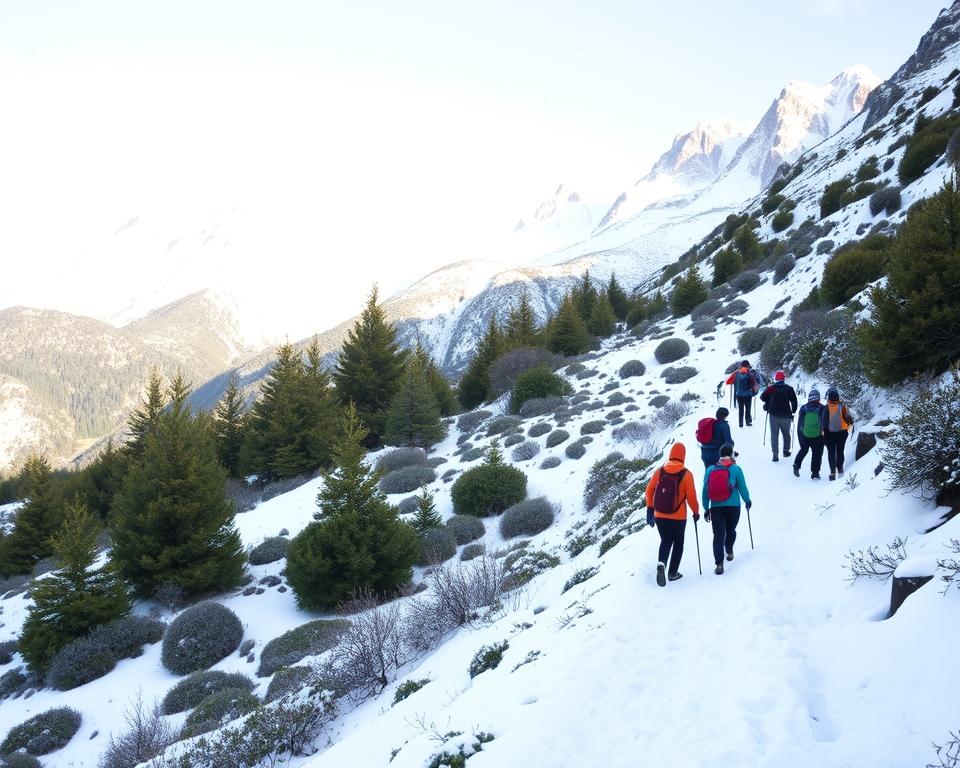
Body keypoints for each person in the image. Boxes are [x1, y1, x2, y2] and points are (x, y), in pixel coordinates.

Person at [645, 443, 700, 587]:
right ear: (683, 456)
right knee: (678, 543)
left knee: (665, 540)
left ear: (671, 454)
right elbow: (691, 498)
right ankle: (672, 573)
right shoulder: (687, 474)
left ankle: (662, 563)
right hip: (678, 517)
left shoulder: (660, 471)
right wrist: (696, 512)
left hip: (659, 515)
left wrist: (650, 508)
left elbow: (649, 491)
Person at [702, 444, 752, 574]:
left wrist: (706, 507)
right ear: (731, 455)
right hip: (733, 507)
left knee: (718, 535)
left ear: (719, 455)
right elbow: (742, 487)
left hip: (716, 507)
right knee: (731, 530)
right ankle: (729, 550)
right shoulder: (736, 469)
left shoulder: (710, 469)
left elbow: (705, 490)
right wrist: (747, 500)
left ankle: (719, 564)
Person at [760, 370, 798, 462]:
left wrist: (768, 402)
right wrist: (793, 412)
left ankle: (775, 455)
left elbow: (762, 397)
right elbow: (794, 401)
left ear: (776, 378)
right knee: (786, 433)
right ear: (784, 378)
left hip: (774, 415)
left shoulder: (772, 388)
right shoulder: (789, 388)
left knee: (774, 435)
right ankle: (786, 450)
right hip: (786, 415)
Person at [793, 389, 827, 480]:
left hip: (805, 435)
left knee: (803, 450)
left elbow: (800, 424)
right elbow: (825, 423)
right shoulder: (823, 408)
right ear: (818, 398)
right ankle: (815, 473)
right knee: (817, 453)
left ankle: (796, 465)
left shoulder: (803, 408)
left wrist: (801, 436)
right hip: (818, 436)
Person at [823, 386, 854, 481]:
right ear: (837, 397)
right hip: (842, 432)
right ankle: (840, 469)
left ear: (829, 397)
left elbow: (824, 421)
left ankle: (832, 472)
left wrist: (824, 433)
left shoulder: (827, 407)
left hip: (830, 433)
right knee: (840, 450)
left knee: (831, 452)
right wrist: (849, 426)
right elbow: (848, 418)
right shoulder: (842, 406)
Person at [726, 360, 760, 427]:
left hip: (739, 395)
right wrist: (754, 392)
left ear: (741, 366)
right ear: (748, 366)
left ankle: (741, 423)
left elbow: (728, 382)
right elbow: (755, 385)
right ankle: (748, 422)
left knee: (741, 409)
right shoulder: (750, 374)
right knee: (748, 408)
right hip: (748, 395)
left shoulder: (736, 373)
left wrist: (734, 376)